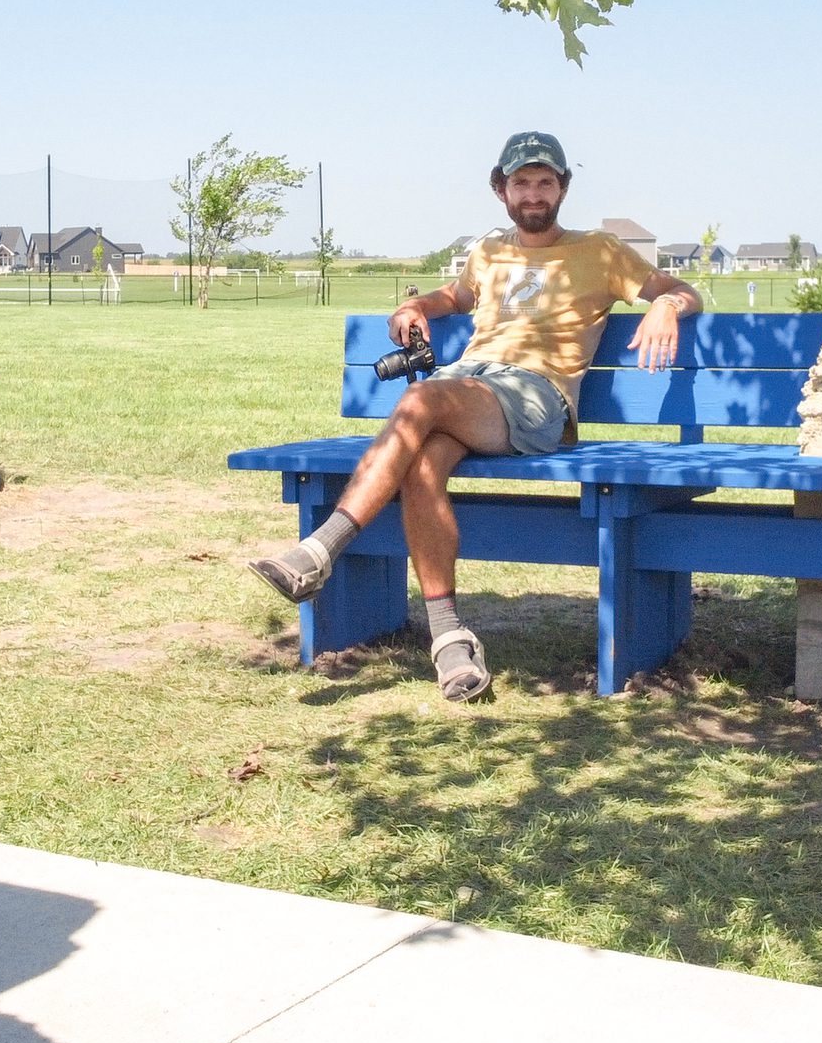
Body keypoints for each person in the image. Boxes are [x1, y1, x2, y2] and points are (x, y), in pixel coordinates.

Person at [248, 132, 702, 701]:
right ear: (501, 189)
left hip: (537, 396)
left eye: (544, 181)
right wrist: (416, 306)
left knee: (417, 401)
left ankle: (320, 551)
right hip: (470, 386)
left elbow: (680, 288)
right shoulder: (489, 251)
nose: (533, 193)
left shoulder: (602, 252)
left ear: (563, 187)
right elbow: (454, 297)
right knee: (420, 467)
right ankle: (450, 643)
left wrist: (665, 305)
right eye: (521, 183)